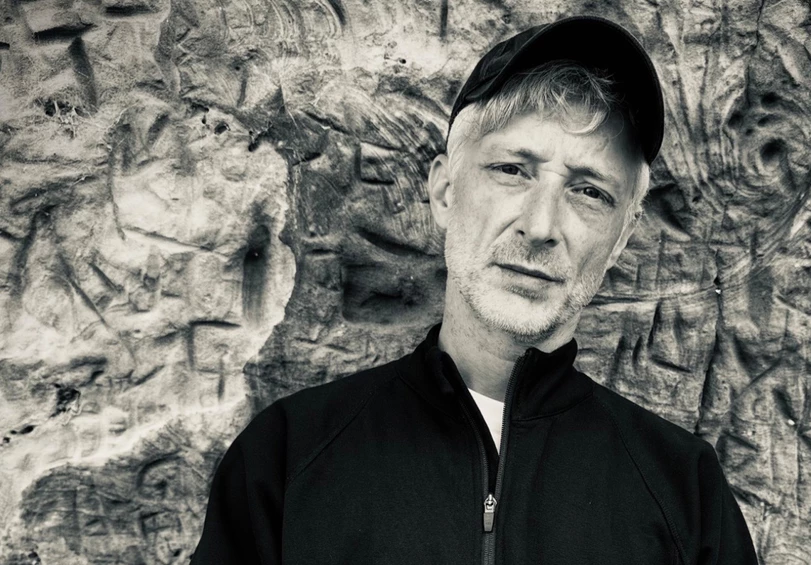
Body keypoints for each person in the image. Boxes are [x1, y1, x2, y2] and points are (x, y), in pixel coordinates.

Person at [190, 15, 758, 565]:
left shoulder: (687, 495)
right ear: (444, 192)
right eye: (513, 170)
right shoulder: (285, 459)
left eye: (589, 192)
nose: (540, 226)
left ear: (621, 238)